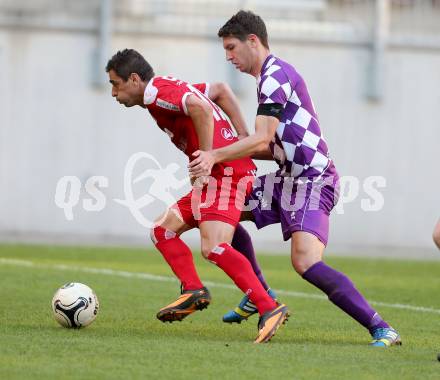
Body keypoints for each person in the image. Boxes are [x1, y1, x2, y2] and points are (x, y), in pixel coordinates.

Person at [189, 10, 401, 347]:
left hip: (314, 181)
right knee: (220, 209)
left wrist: (215, 154)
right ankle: (258, 291)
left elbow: (260, 140)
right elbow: (271, 146)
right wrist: (220, 152)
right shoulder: (268, 78)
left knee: (305, 261)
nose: (228, 57)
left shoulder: (275, 76)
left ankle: (381, 327)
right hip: (287, 178)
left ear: (253, 41)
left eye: (231, 48)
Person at [105, 48, 288, 343]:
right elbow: (219, 90)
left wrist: (207, 157)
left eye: (116, 84)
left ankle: (269, 307)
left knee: (214, 247)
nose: (114, 93)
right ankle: (193, 290)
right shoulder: (165, 87)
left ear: (134, 79)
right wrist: (243, 136)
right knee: (161, 230)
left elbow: (200, 108)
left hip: (226, 175)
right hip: (219, 174)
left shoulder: (156, 93)